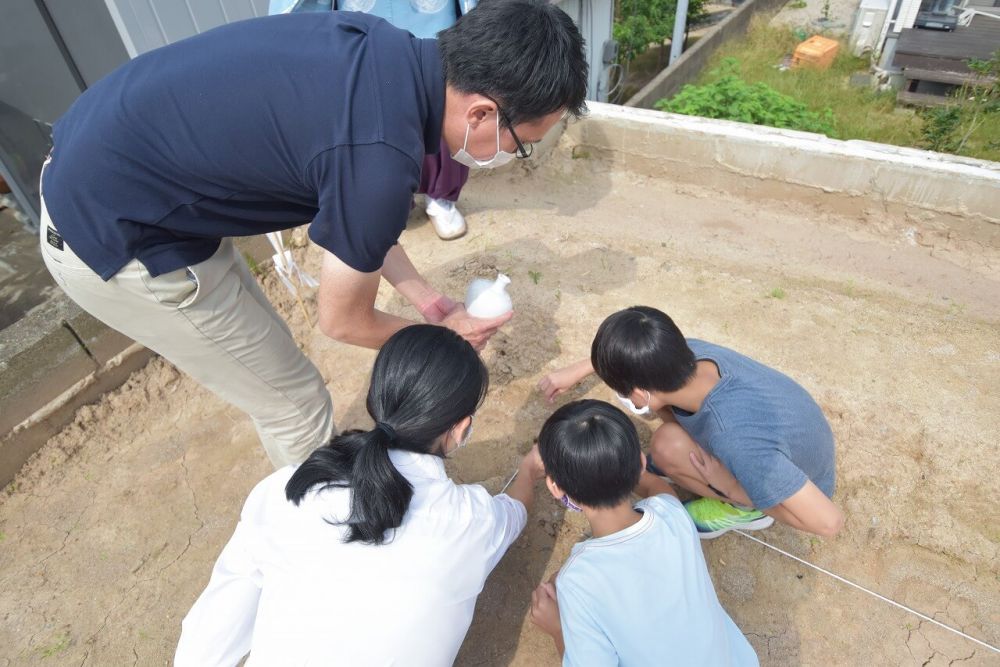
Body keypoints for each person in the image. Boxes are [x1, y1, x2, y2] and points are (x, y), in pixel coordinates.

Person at [39, 1, 588, 467]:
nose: (517, 155)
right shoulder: (380, 158)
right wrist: (448, 341)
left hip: (106, 166)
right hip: (116, 236)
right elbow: (342, 321)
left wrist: (424, 298)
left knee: (266, 356)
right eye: (521, 142)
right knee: (295, 404)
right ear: (482, 113)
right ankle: (317, 550)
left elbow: (355, 206)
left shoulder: (379, 45)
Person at [175, 325, 547, 666]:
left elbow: (209, 638)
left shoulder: (289, 489)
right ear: (461, 428)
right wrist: (530, 467)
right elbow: (514, 509)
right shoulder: (473, 520)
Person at [538, 306, 843, 539]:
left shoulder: (736, 439)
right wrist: (576, 371)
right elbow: (634, 353)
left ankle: (746, 510)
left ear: (638, 392)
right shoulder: (686, 353)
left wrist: (733, 488)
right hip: (794, 431)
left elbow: (829, 522)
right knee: (668, 432)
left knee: (667, 446)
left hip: (800, 483)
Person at [528, 399, 759, 666]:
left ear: (555, 488)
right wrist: (613, 465)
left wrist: (557, 628)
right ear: (640, 462)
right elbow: (655, 487)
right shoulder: (670, 512)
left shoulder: (576, 582)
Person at [269, 0, 476, 239]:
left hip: (433, 24)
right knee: (373, 115)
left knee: (440, 99)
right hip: (363, 31)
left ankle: (441, 196)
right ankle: (393, 198)